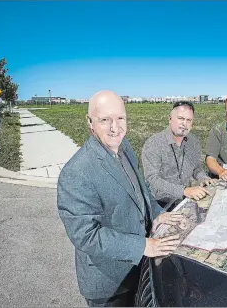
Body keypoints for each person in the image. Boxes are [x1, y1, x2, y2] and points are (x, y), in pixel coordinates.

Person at [57, 90, 183, 307]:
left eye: (120, 118)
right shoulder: (76, 172)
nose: (115, 127)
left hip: (139, 271)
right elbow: (86, 236)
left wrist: (156, 213)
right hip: (110, 284)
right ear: (90, 122)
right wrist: (142, 246)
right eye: (105, 120)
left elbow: (140, 189)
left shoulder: (124, 147)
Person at [141, 101, 217, 209]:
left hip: (184, 200)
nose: (184, 123)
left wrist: (203, 178)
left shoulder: (193, 142)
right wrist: (184, 191)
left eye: (188, 120)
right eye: (181, 118)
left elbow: (195, 168)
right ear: (170, 119)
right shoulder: (153, 144)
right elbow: (152, 179)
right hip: (159, 204)